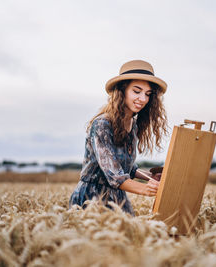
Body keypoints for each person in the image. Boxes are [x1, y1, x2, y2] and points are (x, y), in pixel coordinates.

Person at [69, 60, 168, 216]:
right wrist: (148, 189)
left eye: (148, 94)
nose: (142, 99)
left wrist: (150, 177)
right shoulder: (102, 124)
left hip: (118, 198)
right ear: (122, 91)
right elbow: (115, 175)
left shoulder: (133, 125)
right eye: (137, 91)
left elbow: (126, 167)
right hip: (92, 199)